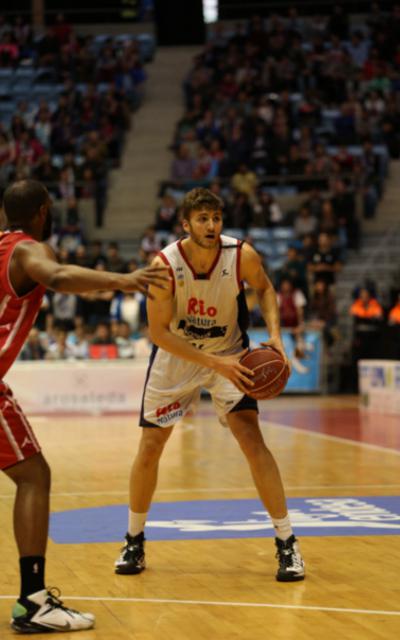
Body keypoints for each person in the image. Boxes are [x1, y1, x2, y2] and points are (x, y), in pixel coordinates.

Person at [0, 179, 169, 633]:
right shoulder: (26, 250)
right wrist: (125, 280)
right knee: (34, 475)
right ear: (41, 211)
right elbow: (56, 277)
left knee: (31, 473)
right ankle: (34, 602)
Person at [115, 187, 305, 582]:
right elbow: (159, 333)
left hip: (230, 353)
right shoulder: (164, 265)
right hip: (177, 358)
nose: (211, 226)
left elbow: (266, 289)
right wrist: (213, 363)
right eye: (202, 219)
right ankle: (134, 539)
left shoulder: (242, 255)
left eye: (216, 219)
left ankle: (287, 544)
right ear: (186, 224)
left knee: (252, 440)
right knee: (151, 447)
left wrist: (276, 336)